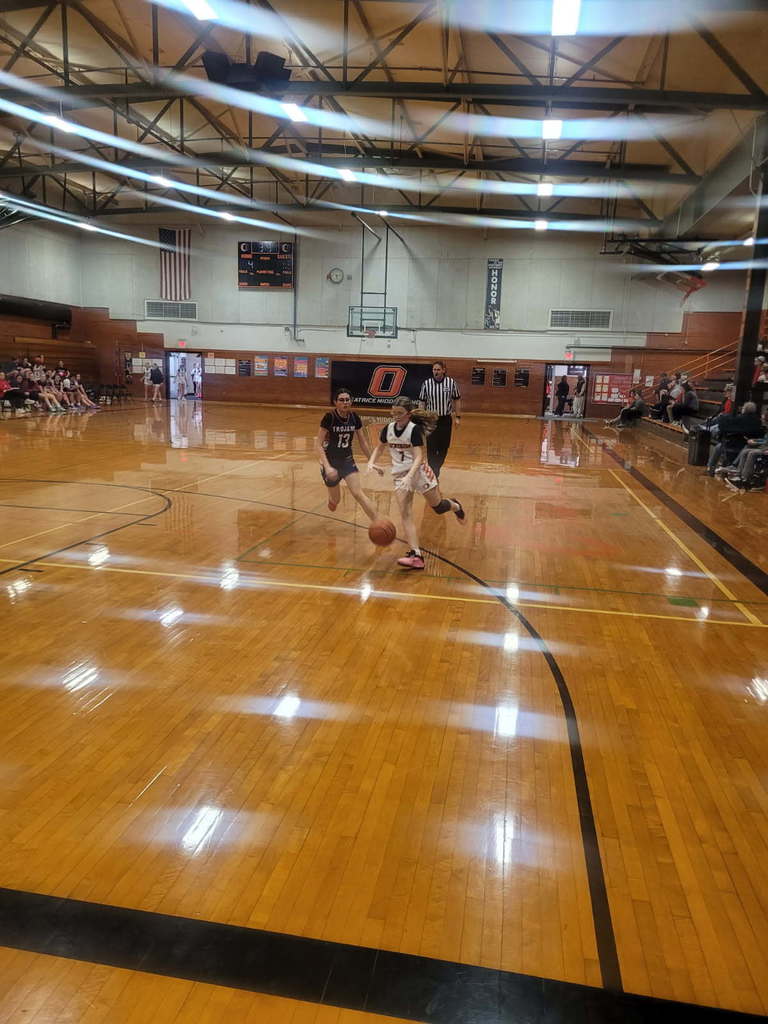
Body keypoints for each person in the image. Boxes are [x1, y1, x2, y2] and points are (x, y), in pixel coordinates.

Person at [367, 396, 465, 570]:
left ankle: (456, 506)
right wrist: (372, 462)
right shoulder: (388, 429)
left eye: (400, 413)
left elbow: (419, 456)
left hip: (419, 472)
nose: (396, 416)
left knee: (438, 507)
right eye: (393, 413)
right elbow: (380, 447)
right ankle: (416, 555)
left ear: (409, 414)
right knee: (406, 514)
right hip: (400, 475)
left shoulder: (414, 430)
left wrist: (409, 476)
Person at [315, 389, 381, 518]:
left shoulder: (354, 417)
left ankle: (378, 521)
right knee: (336, 501)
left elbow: (363, 442)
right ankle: (332, 500)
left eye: (347, 400)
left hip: (347, 460)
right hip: (330, 463)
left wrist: (372, 461)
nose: (345, 402)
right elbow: (318, 444)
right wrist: (327, 467)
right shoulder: (329, 417)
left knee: (358, 493)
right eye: (341, 400)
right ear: (335, 402)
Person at [418, 360, 462, 479]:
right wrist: (421, 419)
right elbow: (422, 402)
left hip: (445, 420)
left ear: (443, 370)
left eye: (438, 369)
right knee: (431, 446)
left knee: (444, 447)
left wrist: (457, 417)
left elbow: (457, 399)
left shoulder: (451, 383)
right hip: (431, 420)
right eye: (434, 370)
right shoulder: (426, 384)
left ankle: (436, 467)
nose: (435, 372)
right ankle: (434, 471)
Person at [706, 401, 764, 475]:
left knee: (719, 445)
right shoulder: (757, 421)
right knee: (720, 445)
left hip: (736, 443)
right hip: (745, 442)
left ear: (744, 409)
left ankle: (710, 466)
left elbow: (724, 426)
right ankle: (716, 466)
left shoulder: (740, 418)